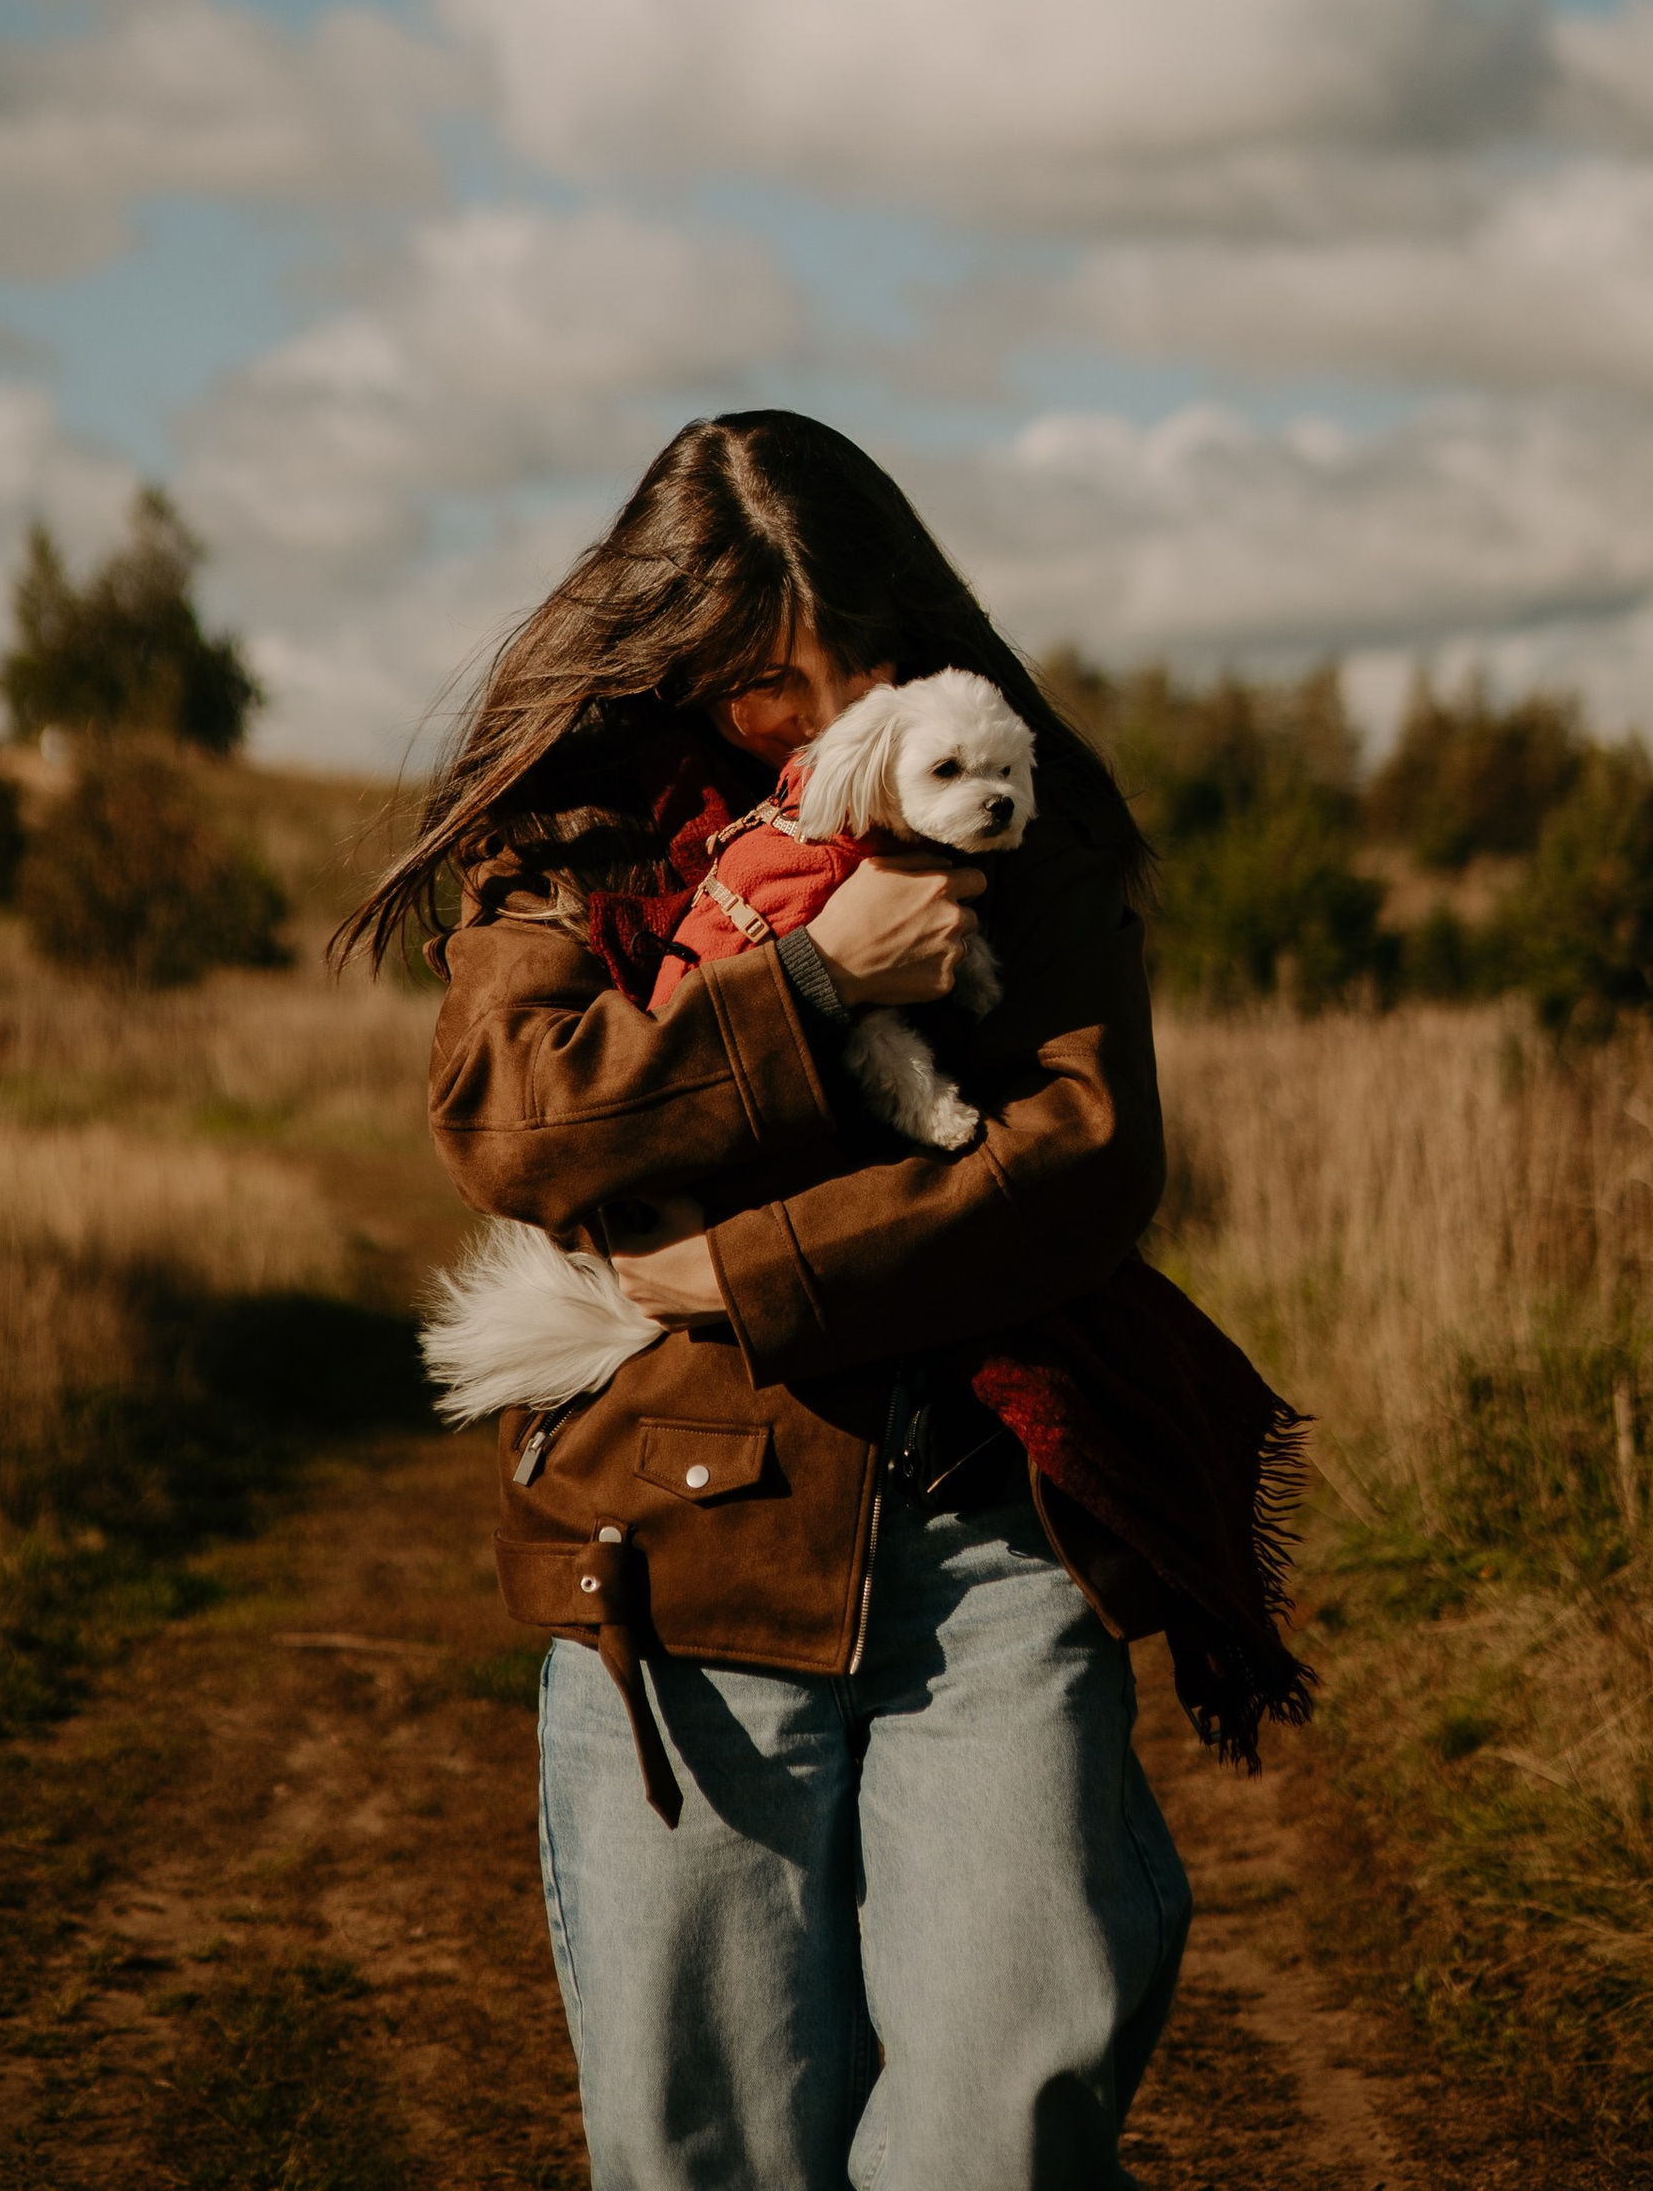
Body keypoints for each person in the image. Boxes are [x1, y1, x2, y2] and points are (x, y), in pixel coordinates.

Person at [345, 411, 1295, 2191]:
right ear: (685, 657)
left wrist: (744, 1266)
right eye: (778, 679)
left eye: (859, 654)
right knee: (707, 2144)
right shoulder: (575, 828)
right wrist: (804, 983)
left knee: (1010, 2119)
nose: (831, 706)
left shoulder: (1021, 804)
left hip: (991, 1540)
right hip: (680, 1550)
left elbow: (1081, 1158)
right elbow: (518, 1116)